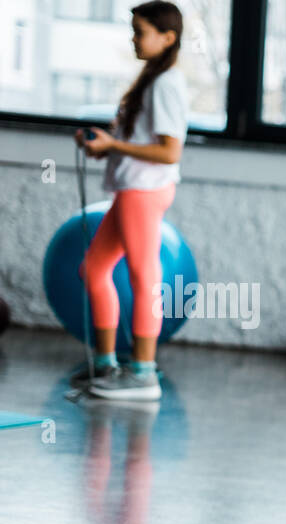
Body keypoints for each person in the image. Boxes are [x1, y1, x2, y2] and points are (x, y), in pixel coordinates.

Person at [73, 1, 188, 403]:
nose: (134, 38)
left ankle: (143, 375)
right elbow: (141, 142)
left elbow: (170, 153)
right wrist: (106, 146)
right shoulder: (152, 79)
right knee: (93, 269)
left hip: (144, 192)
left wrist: (115, 144)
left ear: (167, 37)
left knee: (144, 279)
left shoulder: (167, 84)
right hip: (132, 189)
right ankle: (106, 365)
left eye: (140, 31)